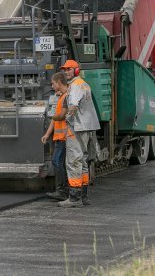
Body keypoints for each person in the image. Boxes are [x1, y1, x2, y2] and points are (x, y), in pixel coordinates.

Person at [58, 59, 101, 208]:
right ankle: (84, 196)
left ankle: (74, 198)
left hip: (77, 127)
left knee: (73, 161)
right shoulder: (84, 84)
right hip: (88, 127)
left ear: (76, 70)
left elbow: (73, 106)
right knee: (82, 161)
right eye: (65, 70)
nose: (66, 72)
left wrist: (68, 119)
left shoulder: (75, 86)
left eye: (69, 69)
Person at [41, 72, 73, 201]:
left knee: (57, 161)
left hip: (64, 137)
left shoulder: (66, 97)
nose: (52, 86)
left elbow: (59, 117)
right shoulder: (60, 97)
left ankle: (62, 190)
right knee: (59, 162)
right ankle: (63, 190)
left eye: (53, 83)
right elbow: (55, 119)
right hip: (59, 137)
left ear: (59, 83)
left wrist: (47, 115)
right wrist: (47, 134)